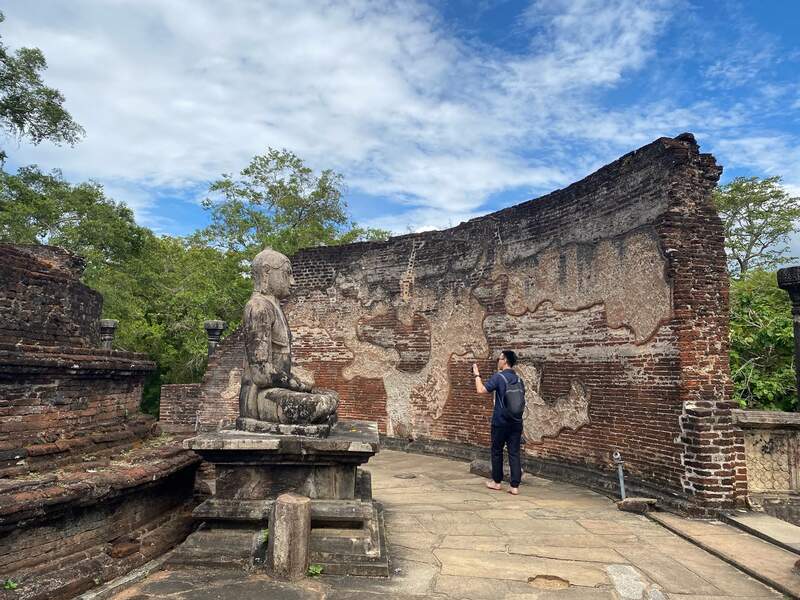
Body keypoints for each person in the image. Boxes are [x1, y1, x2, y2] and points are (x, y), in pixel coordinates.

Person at [472, 350, 523, 495]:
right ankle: (514, 486)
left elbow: (481, 390)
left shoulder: (499, 377)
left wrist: (476, 374)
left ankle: (496, 482)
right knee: (514, 452)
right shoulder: (519, 380)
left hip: (500, 421)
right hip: (516, 422)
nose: (498, 361)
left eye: (499, 359)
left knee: (497, 451)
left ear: (505, 360)